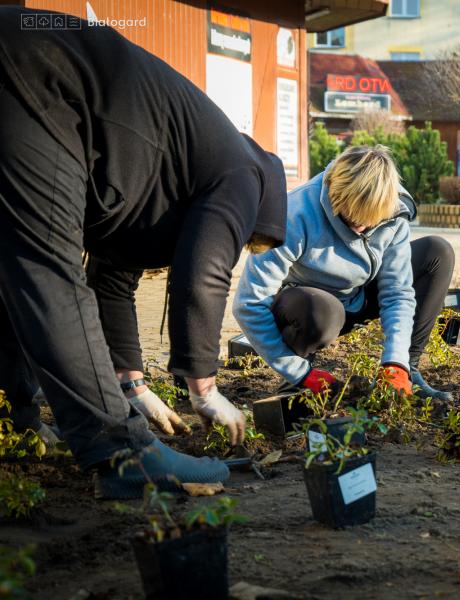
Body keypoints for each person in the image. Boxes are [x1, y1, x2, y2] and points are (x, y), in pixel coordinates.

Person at [0, 7, 287, 498]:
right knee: (47, 271)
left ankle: (16, 421)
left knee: (14, 269)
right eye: (247, 241)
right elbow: (204, 274)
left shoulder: (175, 172)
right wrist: (204, 389)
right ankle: (124, 454)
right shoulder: (244, 176)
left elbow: (113, 277)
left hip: (31, 68)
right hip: (40, 79)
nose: (239, 247)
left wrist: (134, 386)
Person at [234, 145, 454, 405]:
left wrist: (396, 362)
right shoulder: (294, 215)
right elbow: (249, 303)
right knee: (322, 312)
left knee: (437, 252)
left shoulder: (394, 210)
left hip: (359, 295)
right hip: (310, 307)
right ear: (336, 195)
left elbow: (398, 293)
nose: (360, 228)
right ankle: (295, 383)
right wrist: (301, 373)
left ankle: (409, 372)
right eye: (352, 218)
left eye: (369, 221)